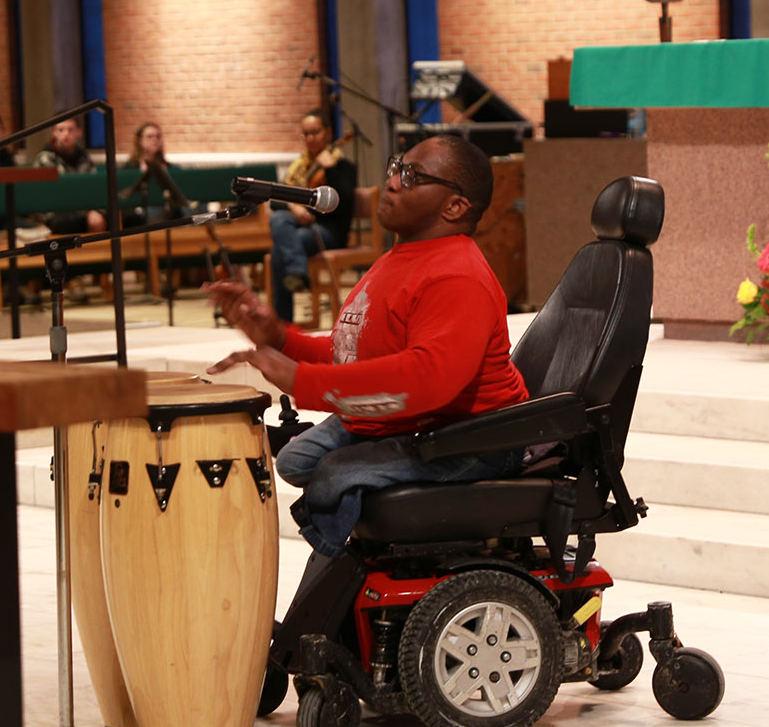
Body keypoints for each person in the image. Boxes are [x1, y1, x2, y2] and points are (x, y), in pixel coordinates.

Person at [206, 134, 528, 556]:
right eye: (396, 167)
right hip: (421, 421)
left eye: (413, 176)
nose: (393, 181)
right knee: (294, 460)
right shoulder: (398, 257)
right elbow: (355, 354)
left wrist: (304, 381)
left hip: (472, 440)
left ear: (454, 207)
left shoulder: (458, 275)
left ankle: (355, 570)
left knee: (331, 477)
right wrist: (279, 337)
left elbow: (425, 381)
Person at [269, 109, 356, 323]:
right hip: (300, 227)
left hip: (330, 231)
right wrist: (293, 208)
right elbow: (275, 200)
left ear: (327, 133)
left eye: (314, 133)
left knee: (281, 248)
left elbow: (344, 202)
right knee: (278, 219)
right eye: (305, 134)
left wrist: (331, 169)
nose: (309, 139)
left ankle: (283, 322)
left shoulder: (343, 167)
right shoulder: (300, 168)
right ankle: (298, 271)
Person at [33, 118, 107, 234]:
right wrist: (87, 213)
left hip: (84, 210)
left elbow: (93, 189)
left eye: (70, 130)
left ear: (79, 132)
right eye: (60, 130)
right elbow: (53, 196)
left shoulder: (84, 157)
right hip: (56, 213)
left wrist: (94, 211)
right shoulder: (45, 159)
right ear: (54, 133)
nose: (66, 134)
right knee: (67, 223)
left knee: (116, 217)